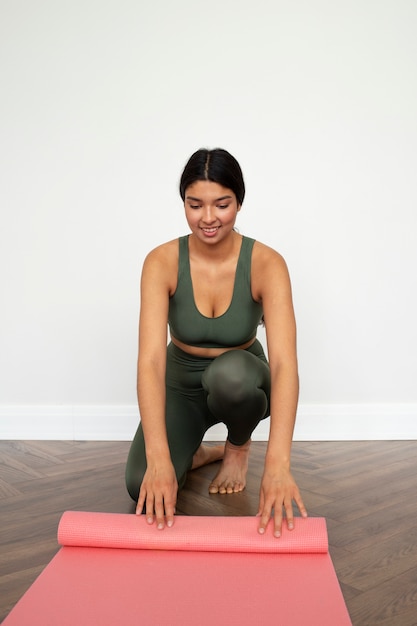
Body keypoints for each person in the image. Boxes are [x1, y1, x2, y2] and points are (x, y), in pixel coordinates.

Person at [125, 148, 307, 537]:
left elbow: (286, 365)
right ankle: (201, 452)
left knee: (230, 375)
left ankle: (237, 448)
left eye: (221, 204)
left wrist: (278, 466)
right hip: (181, 381)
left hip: (242, 377)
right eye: (195, 205)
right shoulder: (160, 261)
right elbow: (152, 362)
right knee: (139, 485)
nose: (208, 218)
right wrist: (158, 461)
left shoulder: (266, 263)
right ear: (184, 204)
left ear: (239, 202)